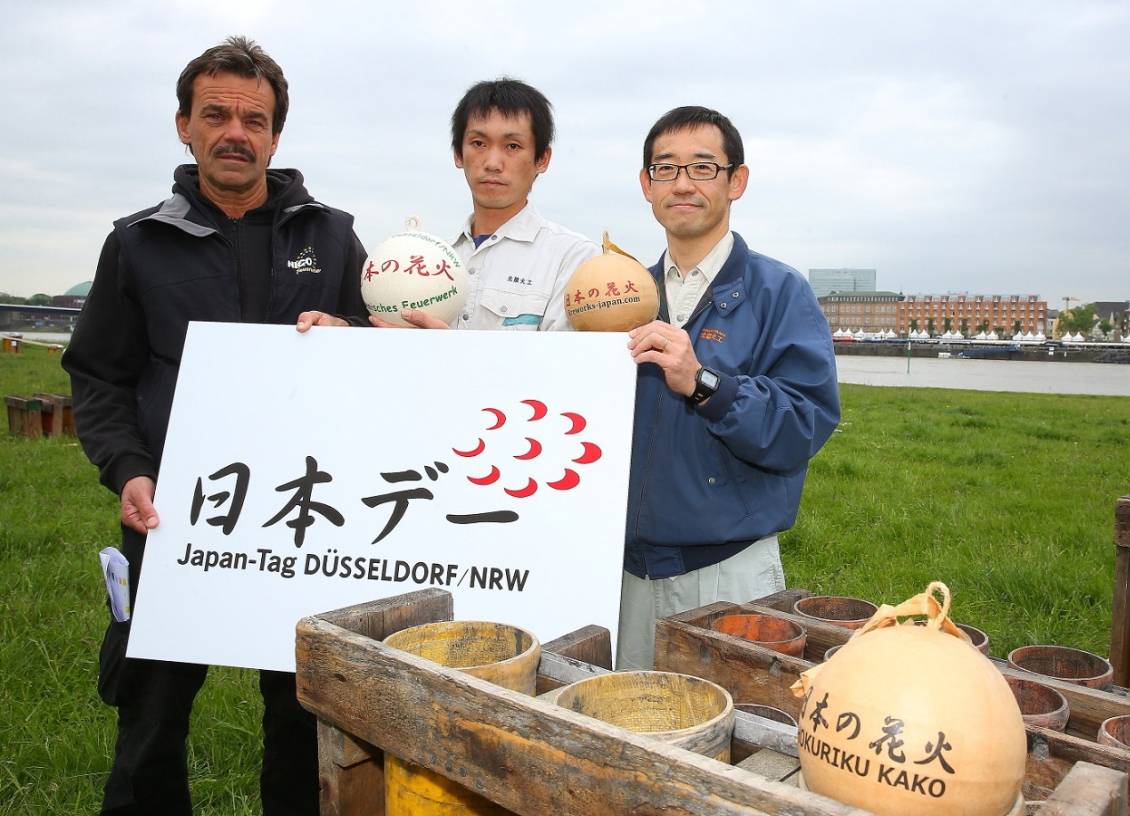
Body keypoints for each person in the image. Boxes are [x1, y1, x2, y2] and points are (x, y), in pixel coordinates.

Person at [62, 36, 366, 815]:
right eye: (217, 114)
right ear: (184, 126)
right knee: (150, 722)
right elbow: (99, 375)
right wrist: (129, 470)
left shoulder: (331, 236)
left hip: (307, 523)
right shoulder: (136, 243)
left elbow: (383, 353)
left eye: (254, 119)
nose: (237, 132)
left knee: (302, 722)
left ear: (275, 134)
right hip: (171, 521)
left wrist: (352, 336)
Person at [617, 106, 841, 670]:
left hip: (727, 572)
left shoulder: (780, 292)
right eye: (665, 169)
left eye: (703, 167)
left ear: (736, 180)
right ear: (646, 185)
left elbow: (802, 425)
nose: (683, 183)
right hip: (621, 573)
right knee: (623, 739)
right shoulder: (620, 296)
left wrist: (704, 384)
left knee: (729, 744)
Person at [373, 78, 597, 331]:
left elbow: (564, 365)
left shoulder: (574, 258)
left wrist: (443, 351)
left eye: (512, 146)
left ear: (542, 159)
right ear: (458, 153)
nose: (492, 163)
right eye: (478, 144)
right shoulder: (427, 259)